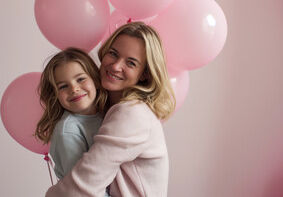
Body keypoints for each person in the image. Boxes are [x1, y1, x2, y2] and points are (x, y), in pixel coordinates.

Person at [45, 22, 176, 197]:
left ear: (144, 73)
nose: (115, 66)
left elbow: (81, 188)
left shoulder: (132, 113)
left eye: (130, 63)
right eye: (113, 54)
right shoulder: (102, 110)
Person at [34, 48, 109, 195]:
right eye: (63, 86)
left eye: (80, 79)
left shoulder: (109, 113)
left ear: (95, 79)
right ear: (55, 95)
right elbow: (83, 189)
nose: (74, 89)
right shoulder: (68, 131)